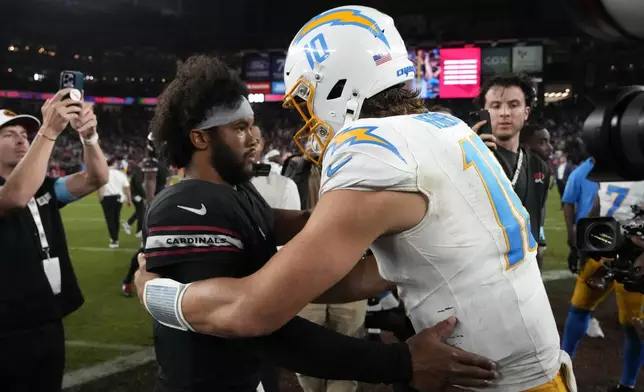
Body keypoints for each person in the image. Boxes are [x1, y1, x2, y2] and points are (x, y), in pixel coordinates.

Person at [137, 6, 575, 391]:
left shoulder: (370, 147)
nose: (306, 116)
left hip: (490, 380)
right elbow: (374, 271)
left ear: (336, 85)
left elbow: (252, 312)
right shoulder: (447, 127)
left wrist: (153, 293)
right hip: (527, 367)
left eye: (306, 98)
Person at [0, 90, 109, 392]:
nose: (22, 139)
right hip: (6, 329)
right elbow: (15, 197)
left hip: (47, 320)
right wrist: (47, 132)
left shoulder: (45, 187)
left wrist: (89, 138)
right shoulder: (18, 192)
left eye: (25, 133)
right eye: (10, 135)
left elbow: (96, 178)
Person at [562, 180, 644, 392]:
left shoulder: (611, 172)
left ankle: (562, 365)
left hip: (604, 248)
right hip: (628, 257)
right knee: (632, 325)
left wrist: (580, 246)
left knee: (581, 309)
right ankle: (627, 384)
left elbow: (595, 211)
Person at [473, 74, 551, 272]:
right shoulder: (469, 158)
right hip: (480, 271)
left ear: (526, 112)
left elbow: (536, 216)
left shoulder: (539, 167)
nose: (505, 113)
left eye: (513, 105)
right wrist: (466, 160)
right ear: (484, 112)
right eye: (496, 106)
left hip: (524, 270)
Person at [520, 123, 554, 269]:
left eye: (548, 141)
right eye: (542, 142)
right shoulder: (525, 165)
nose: (550, 147)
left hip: (534, 227)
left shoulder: (543, 168)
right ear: (525, 145)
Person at [98, 157, 132, 248]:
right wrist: (129, 200)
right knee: (116, 218)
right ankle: (115, 237)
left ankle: (114, 239)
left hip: (107, 198)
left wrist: (100, 197)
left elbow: (100, 186)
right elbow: (127, 187)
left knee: (110, 219)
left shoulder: (103, 173)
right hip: (118, 198)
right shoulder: (120, 174)